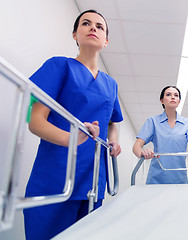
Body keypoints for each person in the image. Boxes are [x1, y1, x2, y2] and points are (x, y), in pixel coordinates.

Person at [23, 10, 123, 239]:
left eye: (100, 26)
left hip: (93, 180)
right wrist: (72, 139)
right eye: (86, 23)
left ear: (105, 41)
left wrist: (113, 142)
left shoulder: (111, 84)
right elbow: (35, 121)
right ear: (75, 35)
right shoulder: (59, 67)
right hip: (55, 176)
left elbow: (113, 123)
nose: (93, 28)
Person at [133, 86, 188, 184]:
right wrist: (142, 153)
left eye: (176, 95)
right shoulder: (152, 121)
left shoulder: (187, 123)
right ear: (162, 100)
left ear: (179, 101)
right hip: (156, 179)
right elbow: (136, 146)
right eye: (168, 94)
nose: (173, 97)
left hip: (180, 179)